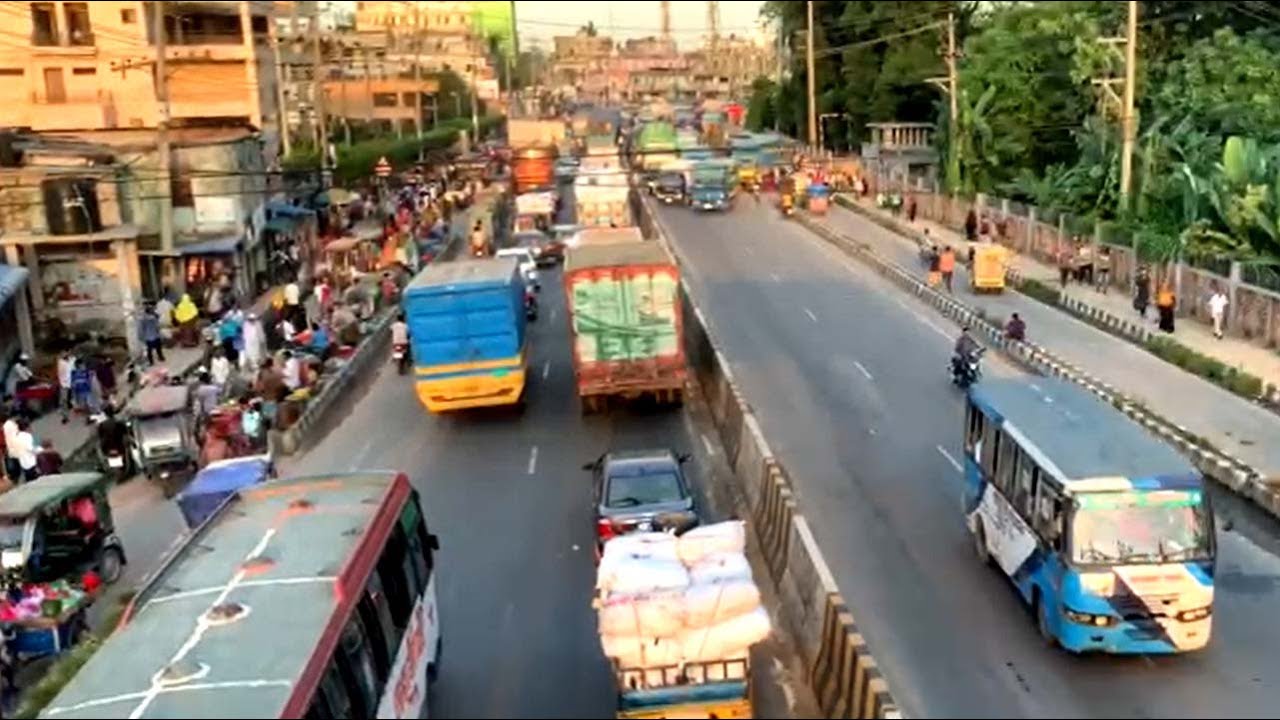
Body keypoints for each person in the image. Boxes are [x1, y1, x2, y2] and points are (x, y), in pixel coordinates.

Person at [57, 351, 75, 424]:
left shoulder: (72, 360)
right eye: (63, 353)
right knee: (63, 401)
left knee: (73, 399)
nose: (65, 354)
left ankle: (72, 410)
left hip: (72, 383)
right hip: (64, 385)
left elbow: (73, 369)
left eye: (66, 352)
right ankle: (65, 417)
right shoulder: (61, 362)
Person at [2, 408, 19, 483]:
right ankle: (15, 474)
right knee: (13, 461)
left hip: (8, 447)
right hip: (13, 445)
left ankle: (13, 476)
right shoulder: (12, 424)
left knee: (10, 462)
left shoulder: (4, 427)